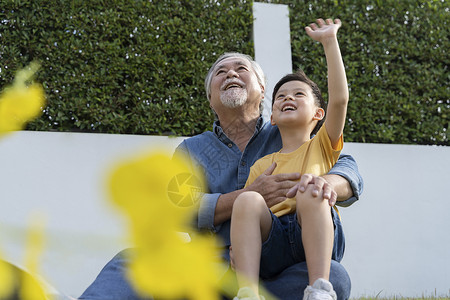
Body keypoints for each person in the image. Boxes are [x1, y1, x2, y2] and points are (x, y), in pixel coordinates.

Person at [79, 29, 363, 300]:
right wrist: (245, 196)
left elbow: (344, 165)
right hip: (212, 269)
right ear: (211, 99)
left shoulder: (288, 128)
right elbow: (177, 209)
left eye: (241, 69)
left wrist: (328, 183)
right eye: (220, 72)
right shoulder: (191, 150)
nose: (230, 73)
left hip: (281, 266)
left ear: (262, 90)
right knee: (134, 259)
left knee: (335, 276)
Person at [230, 18, 347, 300]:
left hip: (316, 233)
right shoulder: (262, 163)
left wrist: (330, 42)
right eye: (280, 96)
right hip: (273, 241)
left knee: (311, 188)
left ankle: (320, 289)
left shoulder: (323, 144)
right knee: (246, 198)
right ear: (272, 117)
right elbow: (249, 213)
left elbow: (339, 99)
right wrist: (237, 247)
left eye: (298, 94)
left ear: (318, 114)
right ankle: (247, 292)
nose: (287, 98)